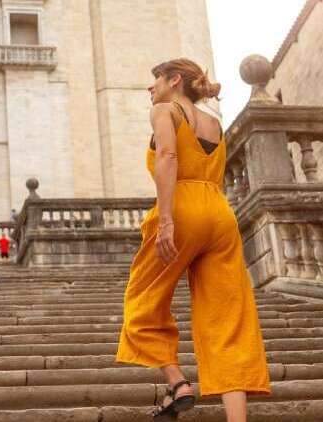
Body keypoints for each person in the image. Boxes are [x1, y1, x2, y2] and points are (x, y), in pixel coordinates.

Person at [115, 58, 270, 422]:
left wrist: (166, 219)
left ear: (174, 80)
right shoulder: (213, 122)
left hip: (182, 208)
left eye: (155, 80)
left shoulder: (165, 111)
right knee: (228, 318)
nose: (150, 88)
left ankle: (178, 383)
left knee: (142, 301)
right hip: (219, 214)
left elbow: (168, 155)